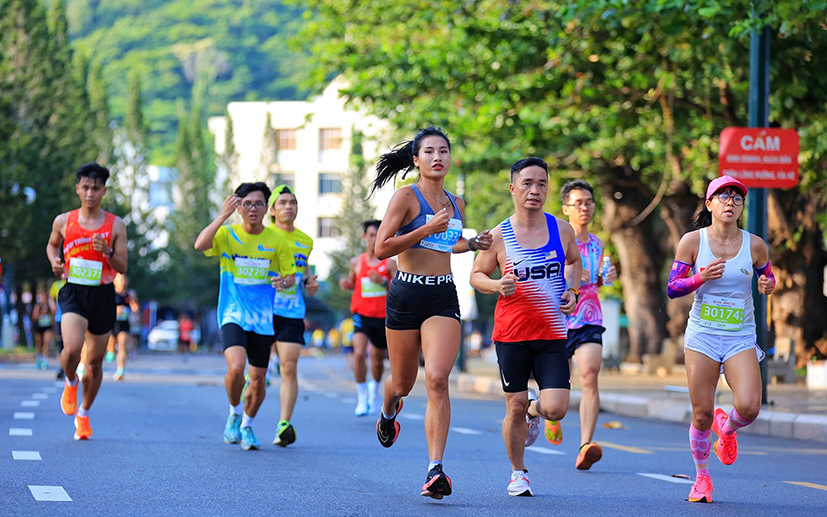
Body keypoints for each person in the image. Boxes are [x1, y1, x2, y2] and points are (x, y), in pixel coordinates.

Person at [370, 126, 493, 499]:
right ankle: (389, 411)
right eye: (429, 152)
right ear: (416, 160)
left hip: (442, 296)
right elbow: (381, 248)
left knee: (438, 379)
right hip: (406, 294)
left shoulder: (457, 202)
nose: (437, 157)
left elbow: (446, 242)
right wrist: (425, 228)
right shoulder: (405, 198)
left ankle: (435, 469)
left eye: (444, 151)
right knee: (404, 383)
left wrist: (471, 242)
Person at [470, 157, 582, 496]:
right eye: (527, 184)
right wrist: (495, 286)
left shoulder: (561, 229)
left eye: (541, 184)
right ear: (513, 189)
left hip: (551, 333)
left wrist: (573, 291)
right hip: (511, 335)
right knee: (513, 405)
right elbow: (476, 275)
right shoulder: (498, 235)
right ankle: (518, 473)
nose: (535, 190)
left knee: (556, 408)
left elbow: (575, 262)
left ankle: (536, 411)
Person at [666, 176, 775, 503]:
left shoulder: (754, 245)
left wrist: (767, 285)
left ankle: (726, 430)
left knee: (750, 407)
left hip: (740, 335)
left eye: (737, 199)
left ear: (741, 207)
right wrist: (700, 277)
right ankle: (701, 478)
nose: (730, 202)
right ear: (709, 204)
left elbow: (767, 276)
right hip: (703, 337)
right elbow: (673, 288)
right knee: (701, 414)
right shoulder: (692, 242)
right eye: (723, 197)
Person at [194, 182, 297, 451]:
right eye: (247, 203)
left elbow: (290, 276)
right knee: (236, 368)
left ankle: (248, 425)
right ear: (238, 206)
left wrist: (283, 282)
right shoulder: (228, 235)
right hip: (232, 313)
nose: (253, 209)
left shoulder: (277, 241)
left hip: (263, 320)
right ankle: (234, 412)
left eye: (258, 204)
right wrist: (221, 216)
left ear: (266, 208)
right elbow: (200, 244)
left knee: (259, 380)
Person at [46, 163, 128, 440]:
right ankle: (71, 381)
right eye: (85, 187)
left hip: (103, 294)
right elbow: (51, 244)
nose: (90, 193)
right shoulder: (63, 221)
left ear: (104, 190)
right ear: (78, 189)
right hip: (73, 292)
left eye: (96, 188)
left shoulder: (115, 225)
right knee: (71, 349)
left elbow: (123, 265)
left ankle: (83, 414)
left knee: (94, 363)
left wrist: (107, 253)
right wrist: (55, 263)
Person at [542, 180, 618, 470]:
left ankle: (586, 444)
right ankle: (550, 414)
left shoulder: (598, 243)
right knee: (558, 386)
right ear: (565, 209)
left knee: (589, 376)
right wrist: (572, 273)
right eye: (578, 203)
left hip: (588, 317)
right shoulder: (555, 240)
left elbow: (597, 279)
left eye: (589, 202)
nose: (584, 207)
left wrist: (604, 275)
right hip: (557, 318)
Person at [266, 184, 319, 447]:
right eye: (283, 202)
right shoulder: (263, 236)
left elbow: (304, 270)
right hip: (260, 310)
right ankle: (241, 417)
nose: (289, 206)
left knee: (289, 368)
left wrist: (309, 283)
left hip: (291, 311)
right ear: (272, 210)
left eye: (293, 202)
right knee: (254, 372)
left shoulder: (305, 240)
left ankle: (283, 424)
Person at [339, 219, 397, 416]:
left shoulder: (389, 263)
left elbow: (400, 288)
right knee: (358, 353)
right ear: (365, 237)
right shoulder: (356, 262)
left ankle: (374, 391)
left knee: (378, 361)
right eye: (371, 235)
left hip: (382, 316)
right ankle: (361, 397)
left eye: (378, 235)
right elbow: (354, 282)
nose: (374, 239)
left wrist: (383, 282)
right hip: (361, 315)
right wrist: (346, 284)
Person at [108, 273, 138, 381]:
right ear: (114, 281)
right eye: (120, 279)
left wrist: (134, 310)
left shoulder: (130, 294)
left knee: (122, 345)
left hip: (124, 324)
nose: (122, 282)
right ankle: (110, 351)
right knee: (111, 347)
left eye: (124, 279)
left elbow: (134, 305)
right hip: (111, 323)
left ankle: (120, 370)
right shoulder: (110, 292)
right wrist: (115, 310)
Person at [31, 287, 55, 370]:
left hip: (47, 327)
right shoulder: (38, 305)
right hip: (39, 326)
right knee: (39, 344)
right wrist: (40, 313)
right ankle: (39, 358)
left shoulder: (49, 305)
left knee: (47, 343)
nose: (43, 299)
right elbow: (34, 317)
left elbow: (54, 311)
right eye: (42, 297)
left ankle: (45, 360)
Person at [50, 279, 66, 379]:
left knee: (70, 345)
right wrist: (53, 308)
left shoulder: (75, 282)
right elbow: (51, 298)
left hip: (72, 318)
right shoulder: (56, 285)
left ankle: (71, 367)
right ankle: (61, 367)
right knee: (60, 344)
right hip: (59, 318)